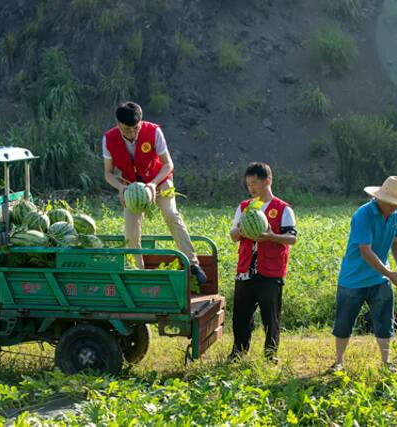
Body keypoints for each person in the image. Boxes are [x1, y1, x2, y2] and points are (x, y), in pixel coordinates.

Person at [102, 101, 206, 284]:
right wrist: (121, 188)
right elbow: (108, 173)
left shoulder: (154, 131)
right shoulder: (108, 139)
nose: (132, 133)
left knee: (171, 214)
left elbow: (168, 164)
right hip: (131, 187)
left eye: (136, 128)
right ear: (118, 124)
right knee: (130, 232)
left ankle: (193, 264)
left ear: (141, 122)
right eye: (127, 130)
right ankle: (138, 272)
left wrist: (152, 184)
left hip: (159, 181)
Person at [330, 176, 397, 371]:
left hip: (379, 278)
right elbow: (365, 251)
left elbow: (396, 242)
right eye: (393, 203)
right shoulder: (363, 215)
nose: (396, 207)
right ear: (381, 198)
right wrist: (390, 273)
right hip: (353, 278)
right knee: (344, 323)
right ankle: (338, 362)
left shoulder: (396, 215)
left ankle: (386, 362)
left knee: (384, 322)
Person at [228, 162, 297, 363]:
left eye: (254, 183)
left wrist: (271, 236)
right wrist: (241, 230)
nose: (251, 188)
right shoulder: (244, 207)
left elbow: (291, 238)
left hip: (271, 272)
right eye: (248, 184)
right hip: (245, 270)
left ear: (267, 182)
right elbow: (233, 236)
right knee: (240, 317)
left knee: (271, 318)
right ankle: (238, 354)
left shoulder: (282, 209)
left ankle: (270, 356)